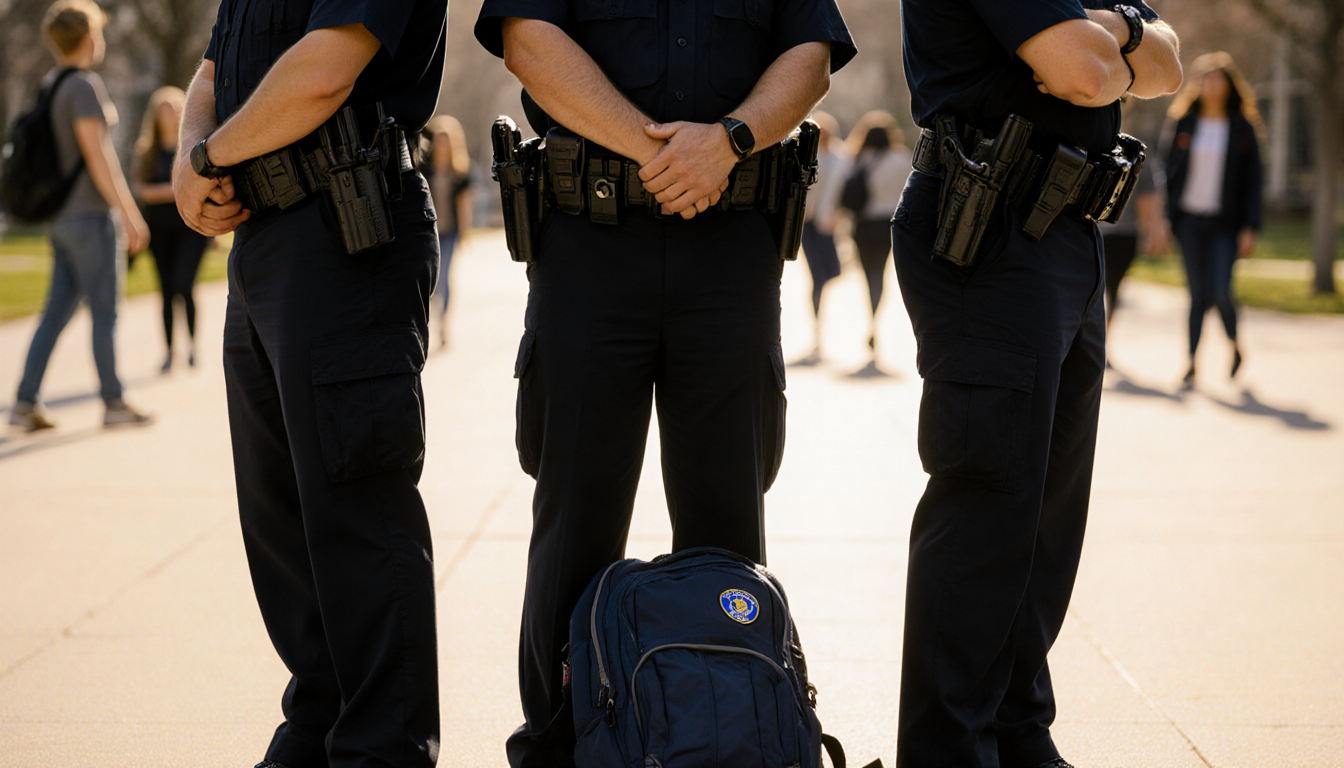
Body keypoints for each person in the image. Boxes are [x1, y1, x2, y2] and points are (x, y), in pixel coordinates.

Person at [473, 2, 855, 765]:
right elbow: (528, 41)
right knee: (574, 519)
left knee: (727, 528)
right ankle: (561, 746)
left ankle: (728, 739)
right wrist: (672, 156)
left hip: (730, 246)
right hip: (589, 244)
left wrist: (731, 140)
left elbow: (810, 50)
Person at [894, 2, 1181, 767]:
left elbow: (1168, 67)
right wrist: (1111, 44)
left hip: (1068, 229)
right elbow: (1087, 73)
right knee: (988, 502)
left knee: (1048, 520)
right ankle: (947, 752)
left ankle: (1018, 736)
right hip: (987, 222)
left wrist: (1107, 29)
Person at [172, 1, 448, 765]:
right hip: (262, 234)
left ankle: (381, 748)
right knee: (280, 515)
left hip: (346, 224)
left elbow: (326, 69)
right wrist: (192, 150)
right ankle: (321, 724)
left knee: (356, 506)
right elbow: (209, 71)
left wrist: (206, 158)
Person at [8, 0, 152, 432]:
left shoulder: (51, 83)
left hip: (61, 221)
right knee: (105, 313)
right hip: (90, 219)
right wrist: (129, 214)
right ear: (91, 39)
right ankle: (114, 402)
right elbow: (99, 157)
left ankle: (24, 403)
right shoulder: (84, 86)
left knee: (55, 312)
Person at [1164, 52, 1264, 386]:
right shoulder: (1186, 123)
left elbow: (1254, 182)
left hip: (1226, 224)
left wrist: (1250, 227)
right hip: (1190, 221)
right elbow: (1171, 172)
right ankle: (1192, 363)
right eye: (1206, 79)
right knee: (1197, 294)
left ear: (1228, 85)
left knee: (1221, 291)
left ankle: (1235, 346)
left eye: (1218, 79)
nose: (1211, 84)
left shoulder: (1241, 128)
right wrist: (1167, 219)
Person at [132, 86, 210, 373]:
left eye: (175, 107)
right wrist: (172, 189)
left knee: (184, 285)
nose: (169, 113)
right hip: (160, 230)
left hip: (191, 227)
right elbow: (139, 189)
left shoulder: (191, 145)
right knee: (165, 290)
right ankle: (168, 352)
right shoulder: (147, 151)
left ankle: (191, 347)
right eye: (163, 108)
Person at [844, 111, 912, 363]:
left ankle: (871, 316)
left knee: (867, 274)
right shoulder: (902, 158)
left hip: (863, 225)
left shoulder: (860, 158)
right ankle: (875, 320)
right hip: (889, 225)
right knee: (879, 274)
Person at [793, 110, 845, 367]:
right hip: (808, 223)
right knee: (817, 276)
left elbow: (839, 191)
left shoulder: (839, 157)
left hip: (826, 223)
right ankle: (817, 330)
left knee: (829, 273)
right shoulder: (808, 156)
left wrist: (835, 216)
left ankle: (820, 326)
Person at [422, 114, 474, 349]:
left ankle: (443, 323)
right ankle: (432, 319)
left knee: (444, 279)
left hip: (450, 232)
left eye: (446, 140)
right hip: (429, 234)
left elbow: (464, 204)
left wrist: (465, 232)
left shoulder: (460, 172)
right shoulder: (425, 170)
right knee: (432, 280)